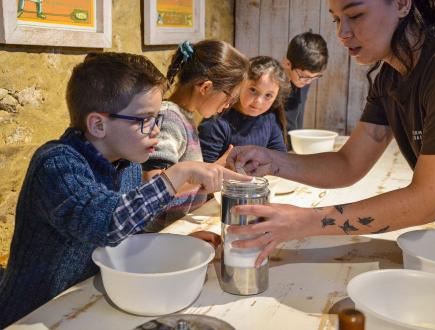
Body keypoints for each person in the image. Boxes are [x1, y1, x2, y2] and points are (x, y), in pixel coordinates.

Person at [0, 52, 249, 327]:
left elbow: (128, 233)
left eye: (157, 118)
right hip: (34, 313)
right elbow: (108, 224)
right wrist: (177, 174)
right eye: (145, 119)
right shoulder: (57, 164)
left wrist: (180, 245)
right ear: (98, 124)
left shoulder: (127, 164)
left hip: (87, 303)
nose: (156, 130)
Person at [226, 0, 435, 267]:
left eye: (355, 15)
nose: (342, 33)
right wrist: (273, 160)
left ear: (402, 4)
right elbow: (348, 164)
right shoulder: (390, 76)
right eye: (336, 19)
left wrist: (303, 221)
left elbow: (427, 201)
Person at [141, 40, 248, 227]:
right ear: (205, 87)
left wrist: (214, 170)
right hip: (161, 233)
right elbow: (154, 182)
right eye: (229, 99)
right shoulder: (169, 118)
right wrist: (211, 170)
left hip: (179, 225)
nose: (226, 106)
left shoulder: (184, 116)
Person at [198, 56, 290, 163]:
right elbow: (203, 170)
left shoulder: (269, 118)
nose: (258, 101)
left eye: (268, 95)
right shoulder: (216, 122)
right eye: (253, 90)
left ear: (276, 97)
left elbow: (280, 160)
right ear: (240, 84)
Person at [282, 31, 328, 140]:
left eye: (314, 77)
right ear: (287, 63)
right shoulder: (272, 86)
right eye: (304, 76)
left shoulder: (302, 81)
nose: (308, 82)